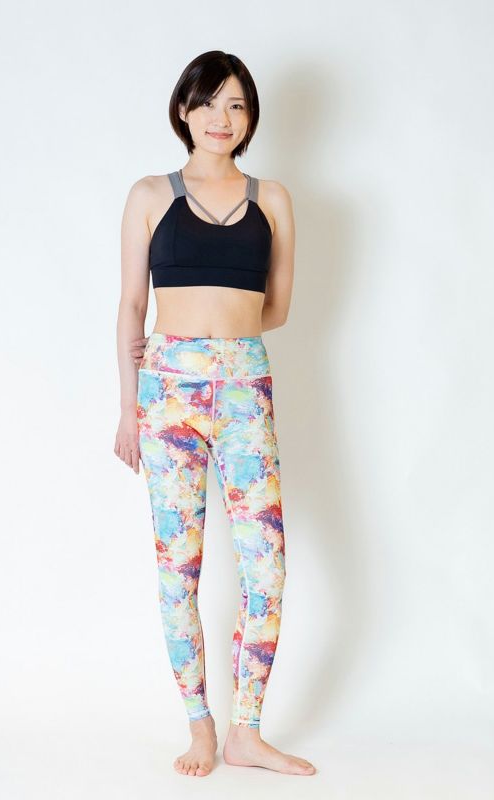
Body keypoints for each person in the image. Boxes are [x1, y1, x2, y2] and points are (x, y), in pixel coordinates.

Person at [114, 50, 315, 778]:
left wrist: (224, 338)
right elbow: (131, 306)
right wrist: (129, 409)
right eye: (207, 103)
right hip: (167, 390)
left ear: (250, 116)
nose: (221, 118)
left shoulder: (273, 198)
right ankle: (200, 725)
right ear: (183, 111)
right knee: (179, 567)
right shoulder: (149, 195)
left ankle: (246, 731)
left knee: (267, 567)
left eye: (236, 105)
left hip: (244, 387)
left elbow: (276, 307)